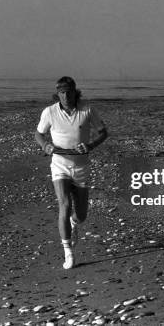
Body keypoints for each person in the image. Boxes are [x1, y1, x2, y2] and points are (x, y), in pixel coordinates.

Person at [35, 76, 108, 269]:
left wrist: (90, 145)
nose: (65, 95)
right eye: (61, 92)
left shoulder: (88, 110)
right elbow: (39, 134)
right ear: (57, 94)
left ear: (75, 91)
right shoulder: (49, 112)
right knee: (64, 204)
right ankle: (68, 252)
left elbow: (103, 132)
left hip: (81, 167)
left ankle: (74, 224)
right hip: (59, 165)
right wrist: (45, 146)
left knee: (81, 214)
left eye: (68, 91)